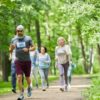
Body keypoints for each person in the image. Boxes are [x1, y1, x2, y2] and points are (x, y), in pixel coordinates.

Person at [9, 25, 34, 100]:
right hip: (18, 60)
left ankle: (29, 87)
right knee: (19, 77)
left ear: (23, 31)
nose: (19, 32)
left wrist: (28, 49)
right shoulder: (13, 39)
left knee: (27, 77)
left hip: (27, 60)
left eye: (21, 31)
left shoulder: (28, 38)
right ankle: (21, 94)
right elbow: (10, 50)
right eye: (18, 31)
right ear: (16, 31)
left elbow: (34, 47)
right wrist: (12, 48)